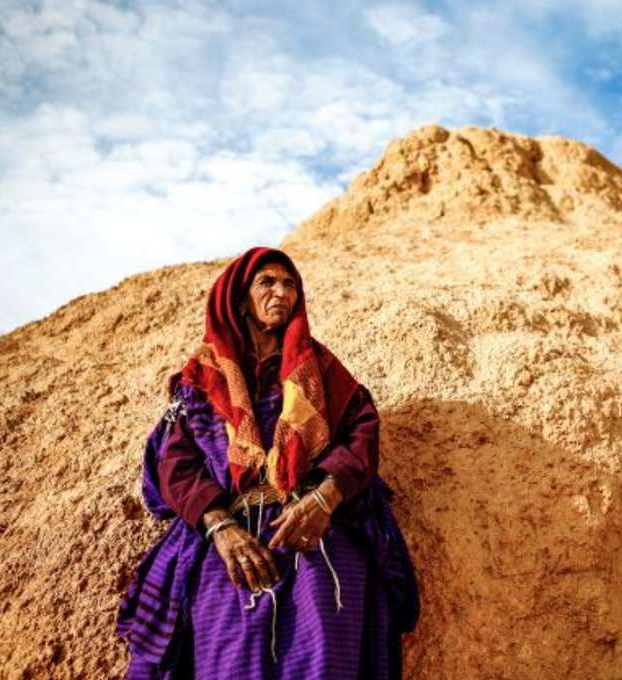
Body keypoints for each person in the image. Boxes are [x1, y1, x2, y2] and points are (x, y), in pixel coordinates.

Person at [117, 246, 419, 679]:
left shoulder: (321, 369)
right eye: (268, 283)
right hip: (232, 532)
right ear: (241, 299)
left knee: (328, 656)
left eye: (289, 284)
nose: (282, 292)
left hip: (315, 526)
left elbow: (363, 432)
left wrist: (325, 498)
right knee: (228, 659)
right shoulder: (202, 378)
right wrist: (221, 529)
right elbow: (175, 463)